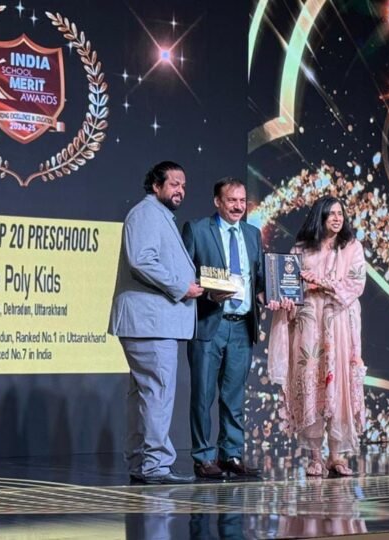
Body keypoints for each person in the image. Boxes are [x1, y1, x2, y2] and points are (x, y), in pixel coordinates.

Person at [109, 161, 204, 485]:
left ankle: (142, 463)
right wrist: (181, 287)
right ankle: (155, 466)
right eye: (174, 184)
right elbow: (142, 260)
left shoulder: (157, 214)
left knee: (145, 394)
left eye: (183, 185)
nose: (180, 190)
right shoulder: (147, 213)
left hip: (150, 322)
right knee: (157, 392)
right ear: (156, 185)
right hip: (150, 322)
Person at [265, 195, 367, 477]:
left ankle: (336, 456)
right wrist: (284, 298)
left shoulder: (351, 247)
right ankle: (314, 457)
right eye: (331, 214)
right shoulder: (301, 249)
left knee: (338, 385)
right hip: (308, 324)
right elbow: (288, 284)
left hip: (339, 325)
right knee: (310, 383)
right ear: (319, 217)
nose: (337, 218)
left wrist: (320, 282)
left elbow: (355, 283)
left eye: (340, 213)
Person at [181, 177, 264, 479]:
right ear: (218, 202)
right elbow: (183, 274)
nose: (238, 206)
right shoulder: (198, 230)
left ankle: (231, 454)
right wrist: (206, 292)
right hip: (209, 324)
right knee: (203, 395)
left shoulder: (253, 234)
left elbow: (259, 277)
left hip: (242, 326)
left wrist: (274, 292)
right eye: (232, 200)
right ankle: (204, 457)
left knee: (234, 396)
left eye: (242, 201)